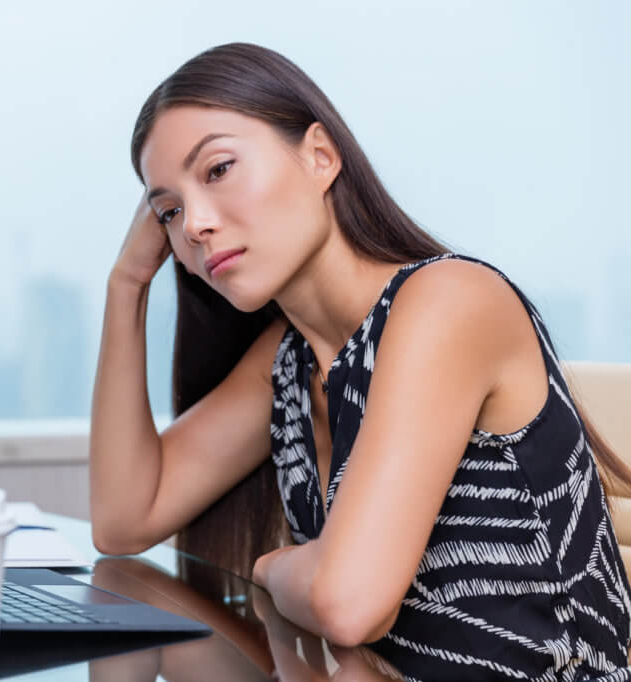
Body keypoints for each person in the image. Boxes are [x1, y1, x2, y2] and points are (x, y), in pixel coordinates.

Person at [89, 42, 631, 681]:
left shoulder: (448, 301)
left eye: (218, 169)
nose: (195, 226)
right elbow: (124, 521)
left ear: (320, 157)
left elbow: (348, 606)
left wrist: (272, 567)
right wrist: (126, 285)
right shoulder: (287, 362)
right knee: (142, 628)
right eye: (169, 212)